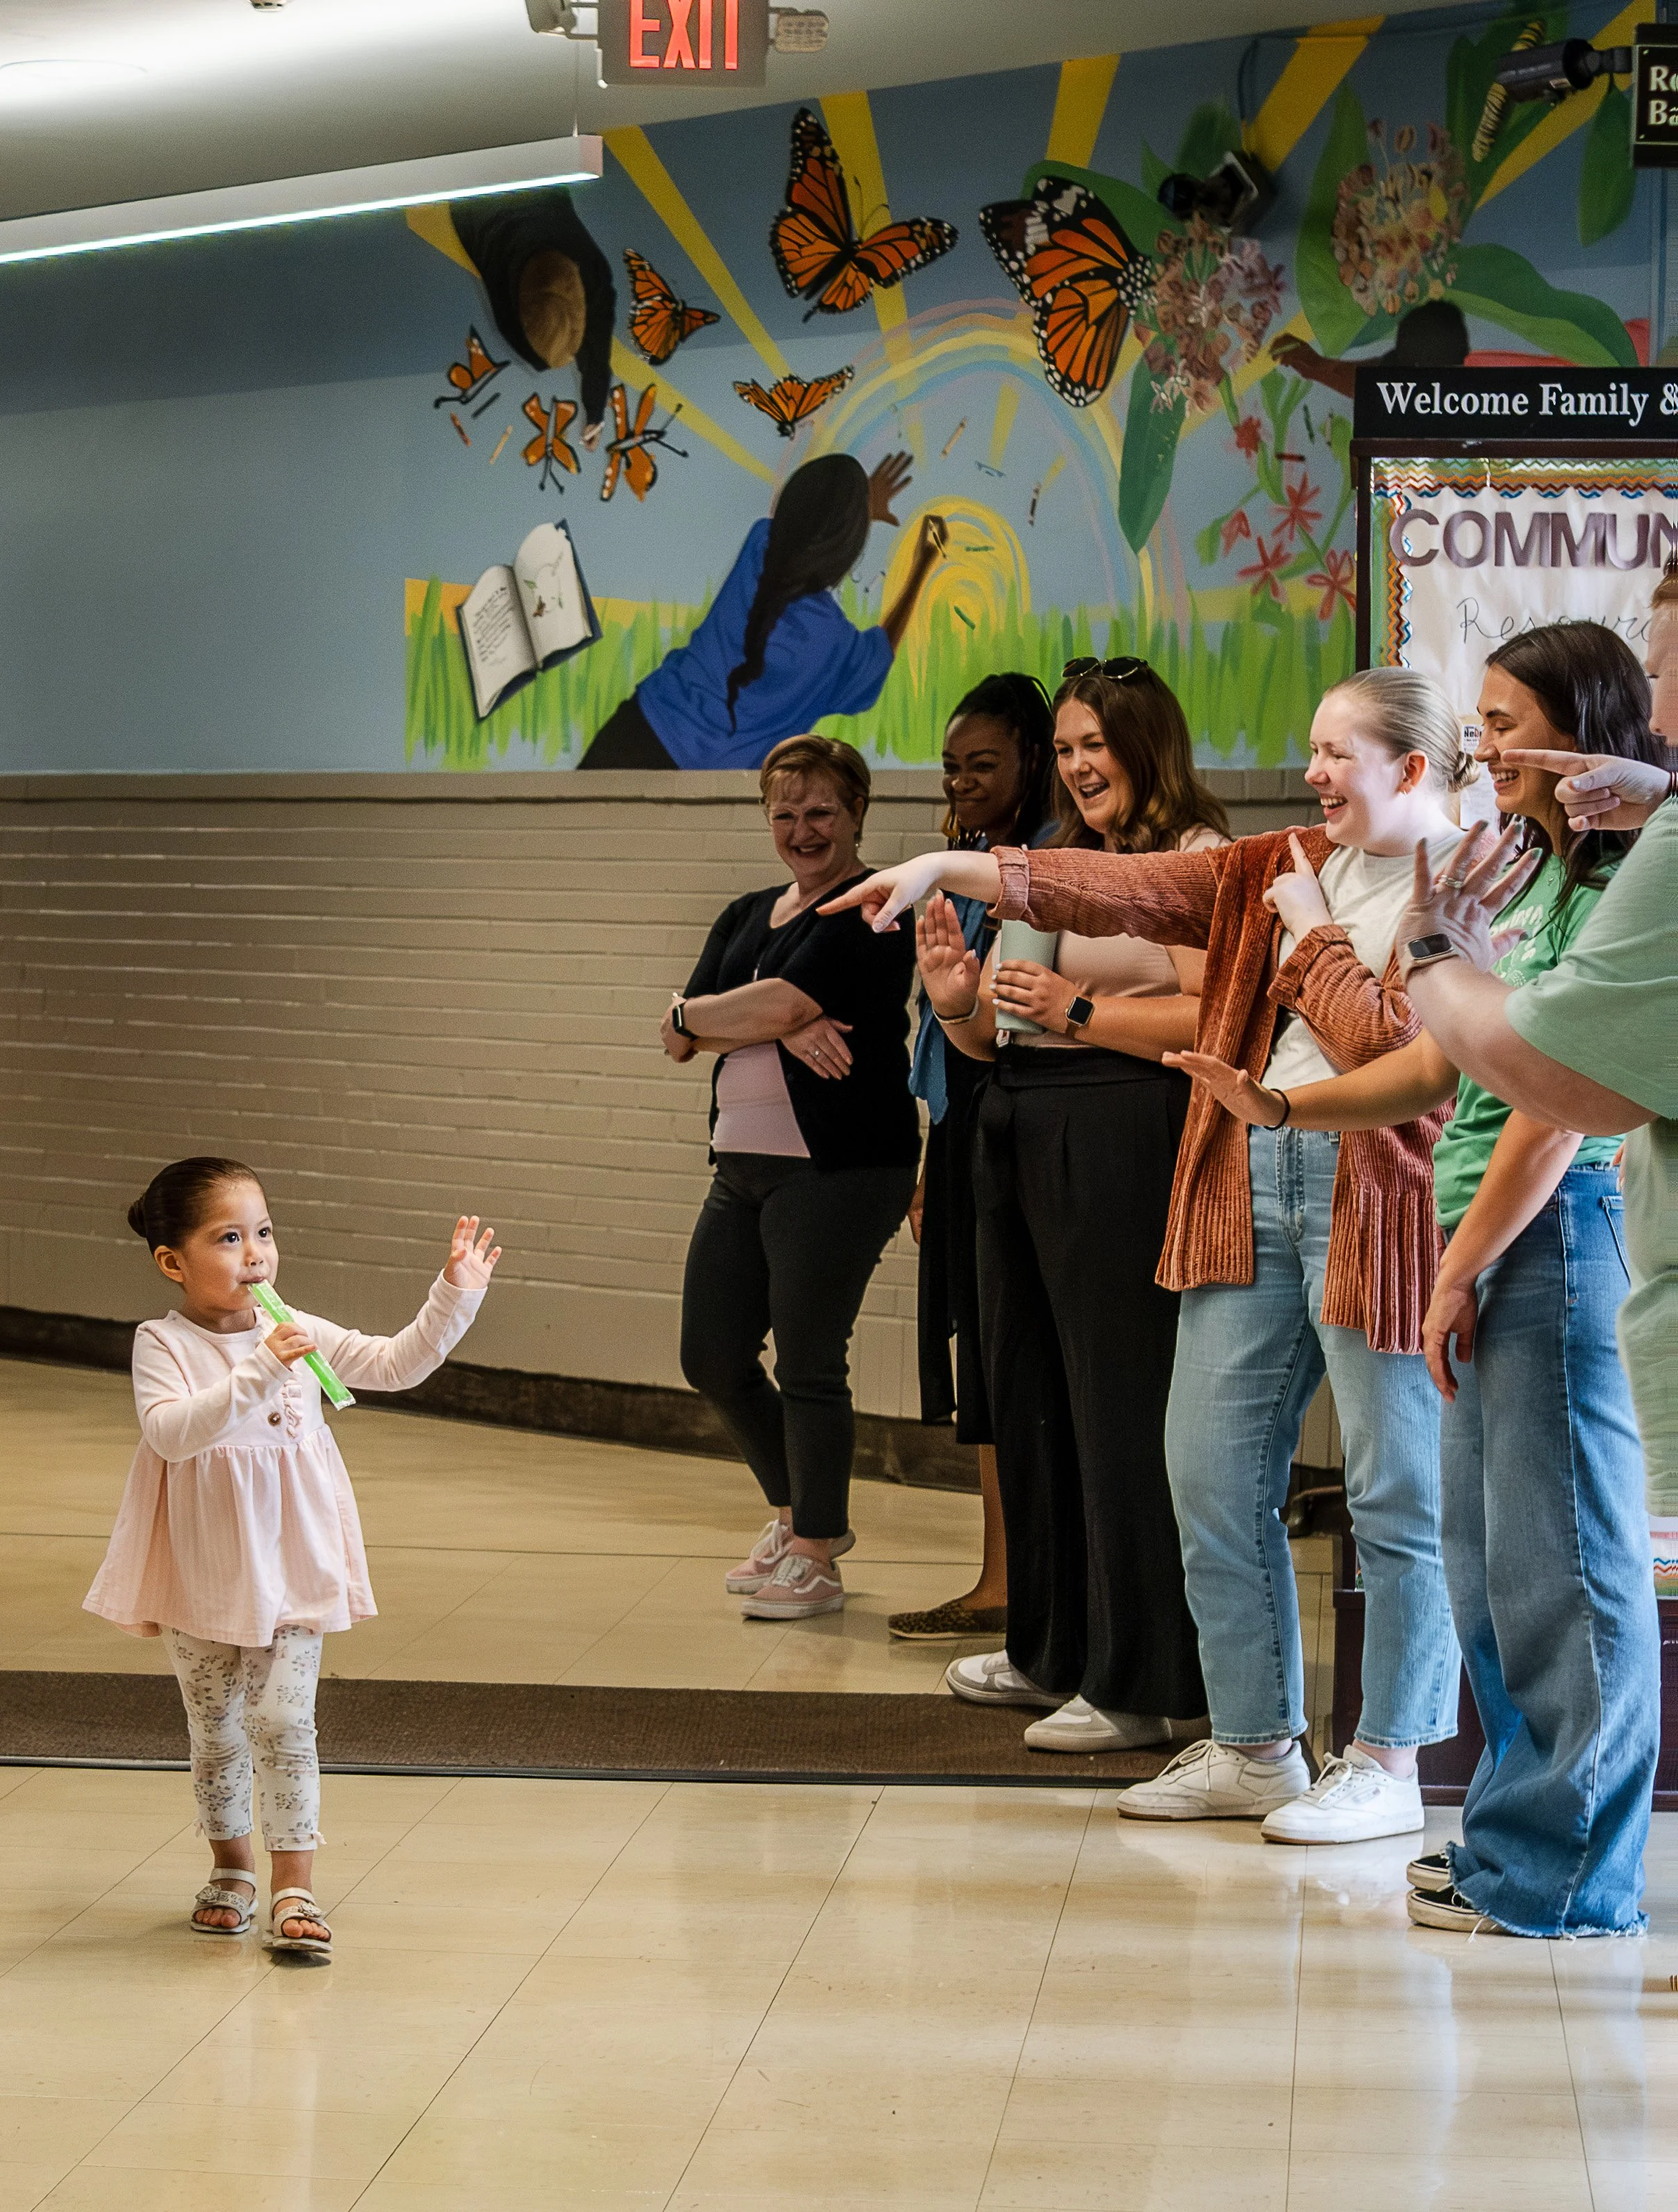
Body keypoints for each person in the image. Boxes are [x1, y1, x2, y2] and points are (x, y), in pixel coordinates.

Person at [825, 665, 1476, 1840]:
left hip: (1372, 1199)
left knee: (1395, 1491)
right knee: (1208, 1473)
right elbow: (1108, 884)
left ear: (1413, 771)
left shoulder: (1466, 885)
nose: (1314, 772)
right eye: (1314, 748)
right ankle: (1254, 1747)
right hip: (1247, 1177)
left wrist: (1318, 942)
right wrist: (947, 870)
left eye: (1339, 755)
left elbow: (1397, 1066)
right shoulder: (1278, 865)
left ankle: (1390, 1756)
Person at [1169, 621, 1665, 1936]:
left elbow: (1552, 1112)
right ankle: (1508, 1839)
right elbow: (1442, 1068)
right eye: (1478, 725)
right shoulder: (1541, 874)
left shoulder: (1625, 880)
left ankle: (1567, 1874)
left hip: (1545, 1240)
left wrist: (1459, 1266)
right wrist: (1282, 1112)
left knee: (1563, 1569)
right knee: (1495, 1573)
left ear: (1586, 729)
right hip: (1488, 1247)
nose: (1480, 748)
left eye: (1503, 725)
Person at [84, 1159, 499, 1956]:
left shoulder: (295, 1328)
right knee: (216, 1730)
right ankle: (232, 1868)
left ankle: (294, 1887)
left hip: (292, 1564)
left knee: (284, 1720)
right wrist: (263, 1364)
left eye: (264, 1232)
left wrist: (455, 1293)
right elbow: (172, 1432)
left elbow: (394, 1362)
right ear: (172, 1260)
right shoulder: (162, 1343)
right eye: (230, 1237)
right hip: (198, 1571)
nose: (256, 1255)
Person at [924, 659, 1226, 1751]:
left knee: (1113, 1405)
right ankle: (1051, 1647)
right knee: (1030, 1397)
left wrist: (1082, 1007)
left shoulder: (1195, 860)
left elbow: (1213, 1012)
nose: (1079, 766)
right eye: (1066, 748)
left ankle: (1139, 1678)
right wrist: (958, 1000)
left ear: (1150, 745)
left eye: (1096, 744)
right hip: (1021, 1119)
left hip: (1120, 1133)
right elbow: (1003, 1022)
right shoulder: (1060, 862)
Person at [665, 736, 920, 1620]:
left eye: (820, 812)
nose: (802, 830)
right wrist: (762, 1019)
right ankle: (792, 1510)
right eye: (785, 813)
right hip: (741, 1166)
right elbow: (679, 1034)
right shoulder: (745, 913)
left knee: (811, 1360)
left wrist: (737, 1015)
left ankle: (818, 1547)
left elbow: (746, 1009)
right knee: (712, 1353)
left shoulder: (876, 906)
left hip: (841, 1167)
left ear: (856, 813)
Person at [890, 673, 1057, 1644]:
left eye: (983, 764)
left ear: (1030, 762)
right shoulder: (962, 858)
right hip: (960, 1127)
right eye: (952, 767)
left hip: (1016, 1118)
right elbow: (938, 1020)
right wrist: (929, 1158)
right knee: (978, 1361)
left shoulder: (1043, 866)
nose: (962, 783)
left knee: (1008, 1361)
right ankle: (997, 1575)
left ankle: (1019, 1583)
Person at [581, 454, 945, 769]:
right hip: (711, 786)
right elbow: (879, 654)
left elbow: (806, 530)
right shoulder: (834, 644)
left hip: (637, 729)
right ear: (847, 542)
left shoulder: (760, 544)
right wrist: (922, 564)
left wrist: (857, 510)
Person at [450, 188, 617, 444]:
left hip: (524, 193)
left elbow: (596, 336)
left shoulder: (593, 271)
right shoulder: (511, 323)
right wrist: (593, 414)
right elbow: (596, 342)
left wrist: (595, 414)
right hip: (483, 202)